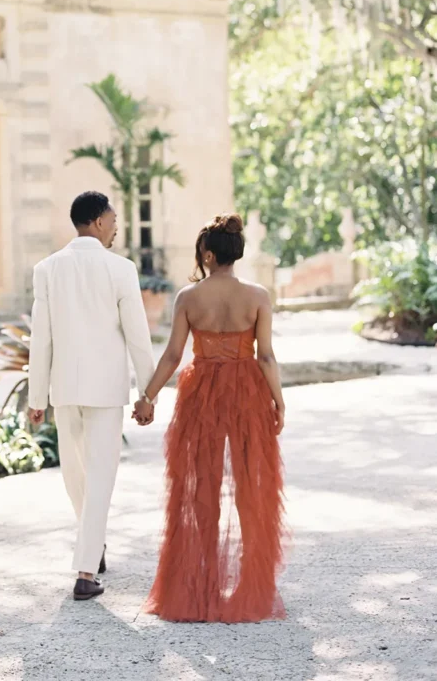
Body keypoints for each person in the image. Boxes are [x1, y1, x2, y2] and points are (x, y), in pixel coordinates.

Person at [134, 213, 286, 623]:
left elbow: (172, 355)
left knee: (201, 486)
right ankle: (252, 586)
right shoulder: (257, 296)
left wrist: (147, 397)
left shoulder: (188, 297)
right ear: (236, 254)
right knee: (251, 485)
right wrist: (279, 401)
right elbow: (266, 355)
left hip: (200, 392)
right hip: (248, 392)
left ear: (207, 253)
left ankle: (202, 583)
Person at [28, 191, 156, 602]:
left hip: (64, 389)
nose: (117, 226)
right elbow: (138, 336)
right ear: (98, 221)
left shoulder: (47, 269)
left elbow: (40, 341)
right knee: (98, 478)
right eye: (114, 219)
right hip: (105, 390)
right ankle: (86, 571)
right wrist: (147, 392)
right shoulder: (121, 269)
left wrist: (37, 397)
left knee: (77, 477)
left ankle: (91, 546)